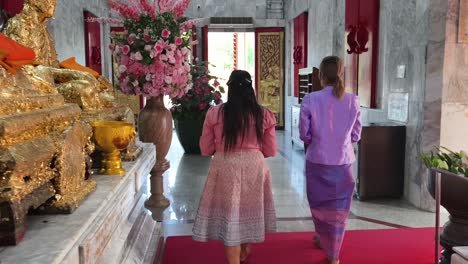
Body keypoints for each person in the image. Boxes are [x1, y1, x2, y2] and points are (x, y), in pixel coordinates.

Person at [192, 70, 278, 264]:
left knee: (232, 213)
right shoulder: (264, 114)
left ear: (229, 89)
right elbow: (271, 149)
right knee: (248, 209)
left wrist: (223, 150)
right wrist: (252, 152)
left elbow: (205, 149)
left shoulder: (215, 113)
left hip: (225, 165)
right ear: (251, 89)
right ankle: (245, 247)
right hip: (254, 166)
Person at [299, 56, 362, 264]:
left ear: (321, 75)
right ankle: (331, 249)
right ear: (341, 74)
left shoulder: (310, 99)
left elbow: (304, 134)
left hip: (317, 159)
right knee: (339, 207)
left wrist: (317, 140)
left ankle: (328, 246)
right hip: (343, 162)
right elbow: (356, 135)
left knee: (319, 204)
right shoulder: (353, 100)